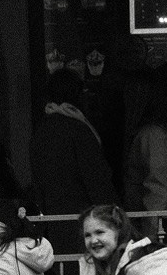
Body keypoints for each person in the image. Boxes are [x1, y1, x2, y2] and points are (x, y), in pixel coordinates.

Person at [30, 71, 117, 216]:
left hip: (53, 216)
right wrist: (113, 215)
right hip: (83, 217)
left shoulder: (41, 130)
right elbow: (96, 179)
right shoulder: (77, 130)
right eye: (83, 92)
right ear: (76, 94)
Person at [123, 71, 167, 220]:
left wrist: (150, 234)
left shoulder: (152, 134)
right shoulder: (162, 131)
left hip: (164, 223)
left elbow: (157, 187)